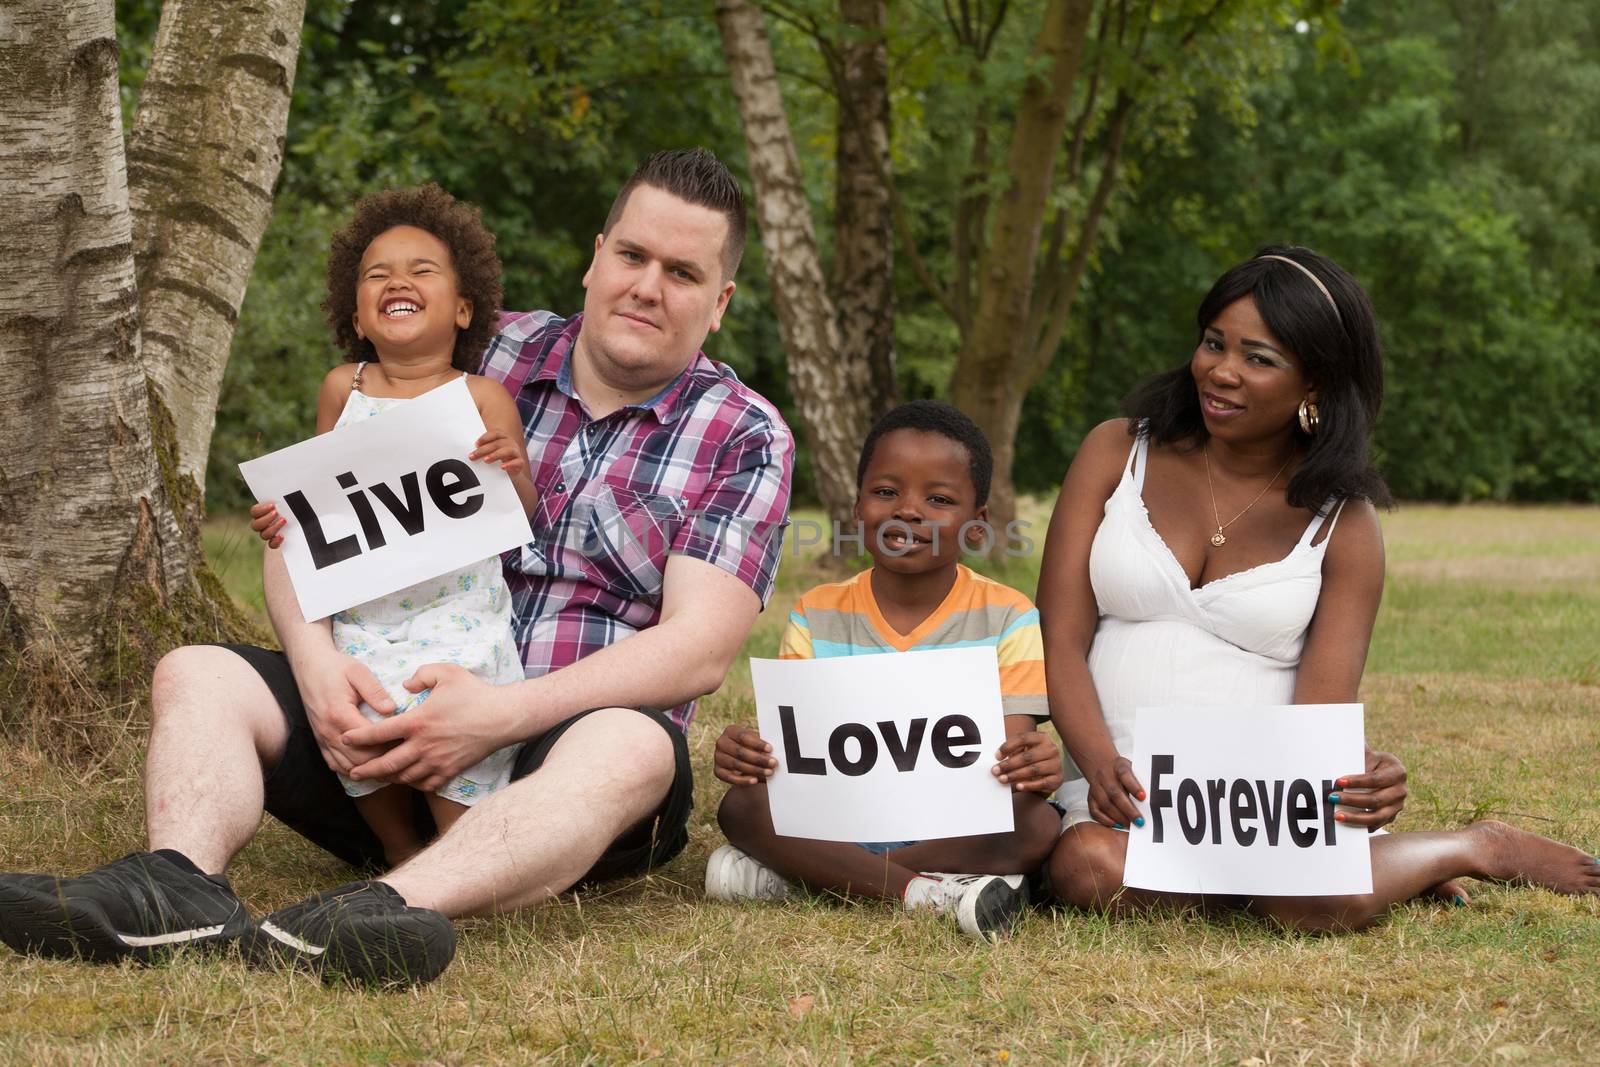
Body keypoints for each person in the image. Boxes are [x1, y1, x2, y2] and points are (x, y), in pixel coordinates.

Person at [0, 149, 794, 985]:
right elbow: (308, 531)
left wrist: (499, 713)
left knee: (633, 746)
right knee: (196, 672)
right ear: (597, 256)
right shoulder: (472, 350)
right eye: (633, 256)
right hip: (376, 721)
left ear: (718, 304)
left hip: (560, 759)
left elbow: (700, 647)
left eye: (681, 272)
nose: (646, 286)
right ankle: (172, 888)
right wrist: (316, 670)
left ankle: (381, 908)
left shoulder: (742, 433)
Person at [1039, 245, 1600, 929]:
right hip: (1114, 792)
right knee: (1084, 868)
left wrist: (1348, 775)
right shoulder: (1115, 450)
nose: (1221, 370)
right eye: (1214, 343)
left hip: (1256, 797)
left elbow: (1316, 717)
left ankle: (1477, 844)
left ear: (1315, 385)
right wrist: (1098, 762)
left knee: (1308, 903)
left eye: (1258, 358)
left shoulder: (1345, 523)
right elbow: (1061, 637)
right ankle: (1356, 874)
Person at [707, 401, 1065, 941]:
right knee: (742, 807)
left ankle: (808, 876)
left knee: (1036, 823)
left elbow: (1003, 762)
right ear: (857, 507)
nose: (909, 511)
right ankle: (925, 893)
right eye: (886, 492)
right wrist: (750, 753)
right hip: (840, 813)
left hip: (951, 821)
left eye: (939, 499)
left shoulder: (1009, 616)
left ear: (977, 524)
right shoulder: (816, 610)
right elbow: (793, 751)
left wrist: (1030, 763)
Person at [278, 184, 540, 867]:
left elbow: (523, 516)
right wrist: (283, 511)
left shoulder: (482, 397)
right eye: (377, 274)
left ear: (462, 308)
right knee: (359, 727)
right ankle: (397, 848)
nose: (398, 280)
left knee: (460, 742)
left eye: (422, 269)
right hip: (365, 613)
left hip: (459, 612)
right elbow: (325, 500)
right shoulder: (345, 388)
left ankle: (461, 856)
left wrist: (512, 468)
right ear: (358, 314)